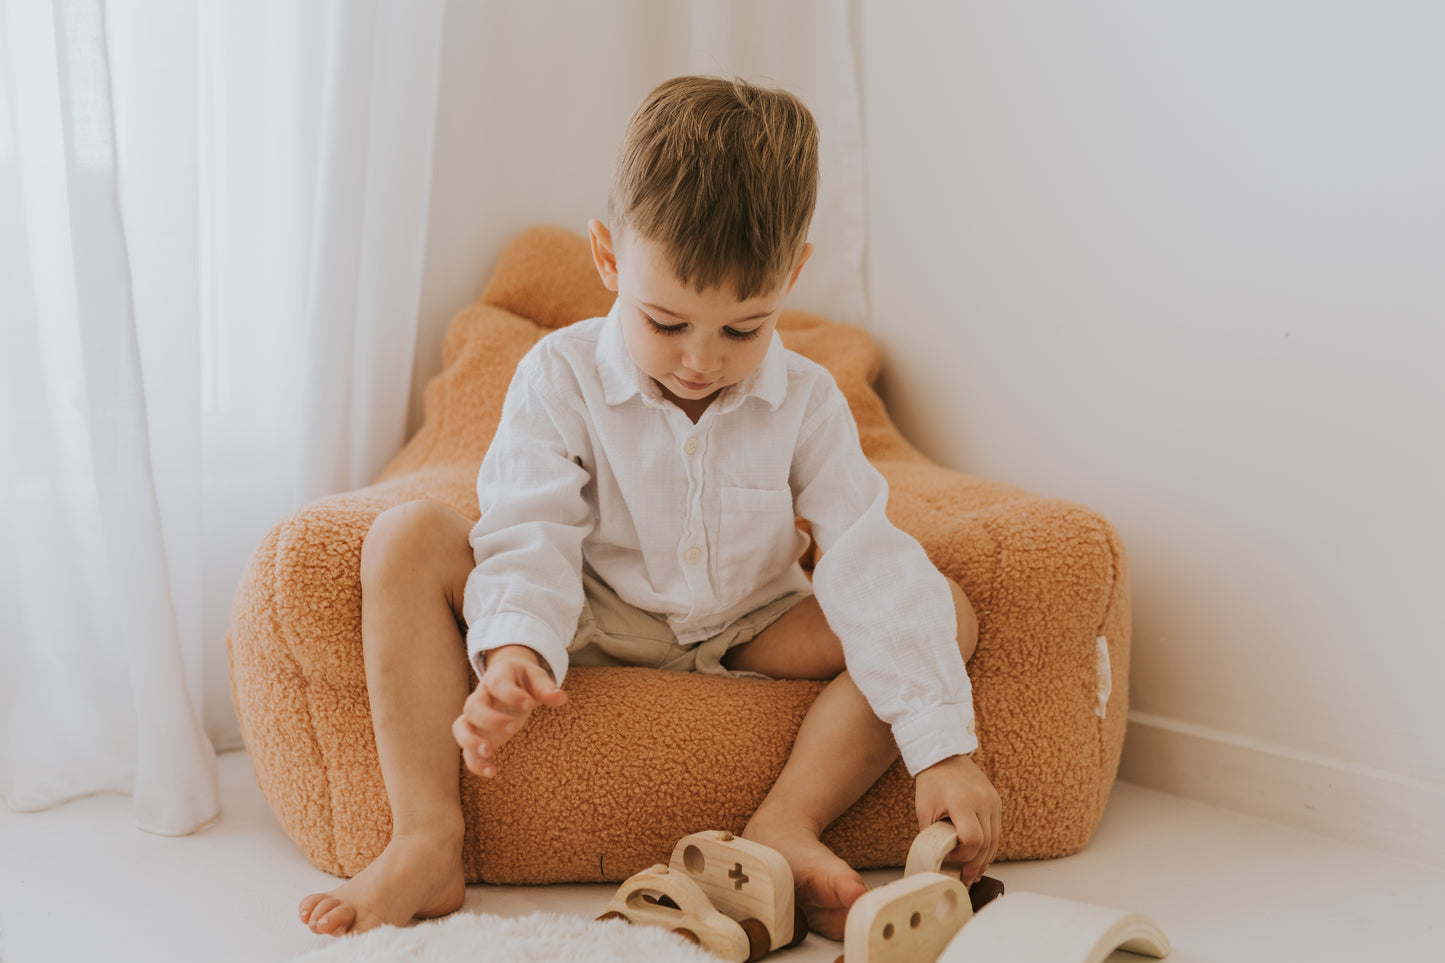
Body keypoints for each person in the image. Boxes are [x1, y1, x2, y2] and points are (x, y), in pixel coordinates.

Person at [299, 75, 1000, 942]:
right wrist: (516, 646)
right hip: (596, 608)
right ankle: (426, 840)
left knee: (940, 608)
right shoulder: (558, 375)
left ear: (791, 276)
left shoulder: (808, 401)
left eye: (742, 330)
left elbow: (863, 552)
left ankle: (784, 821)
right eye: (665, 322)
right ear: (607, 259)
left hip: (752, 618)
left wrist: (942, 747)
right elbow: (529, 525)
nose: (700, 361)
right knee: (406, 538)